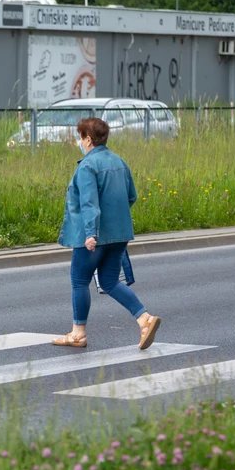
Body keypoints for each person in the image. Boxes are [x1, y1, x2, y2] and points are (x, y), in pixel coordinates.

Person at [52, 117, 161, 350]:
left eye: (81, 137)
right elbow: (131, 196)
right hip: (120, 234)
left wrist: (91, 233)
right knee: (110, 281)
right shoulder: (120, 162)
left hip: (93, 236)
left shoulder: (87, 166)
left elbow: (89, 203)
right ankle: (145, 320)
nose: (80, 142)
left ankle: (78, 334)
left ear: (88, 139)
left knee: (80, 281)